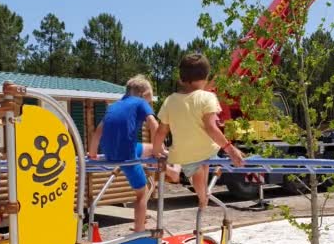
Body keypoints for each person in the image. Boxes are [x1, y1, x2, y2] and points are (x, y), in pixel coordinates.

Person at [153, 53, 244, 209]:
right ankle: (204, 194)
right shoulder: (208, 97)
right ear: (206, 77)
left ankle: (202, 197)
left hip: (184, 154)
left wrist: (157, 151)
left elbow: (161, 131)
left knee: (195, 169)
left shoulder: (170, 100)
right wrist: (230, 149)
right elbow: (211, 127)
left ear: (181, 79)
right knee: (205, 157)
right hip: (208, 150)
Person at [89, 74, 179, 232]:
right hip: (127, 156)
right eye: (149, 101)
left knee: (150, 148)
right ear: (143, 95)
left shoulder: (114, 106)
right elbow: (153, 124)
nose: (149, 104)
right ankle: (139, 230)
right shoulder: (139, 102)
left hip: (110, 153)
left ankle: (169, 170)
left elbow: (98, 131)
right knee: (142, 193)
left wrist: (92, 154)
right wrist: (159, 149)